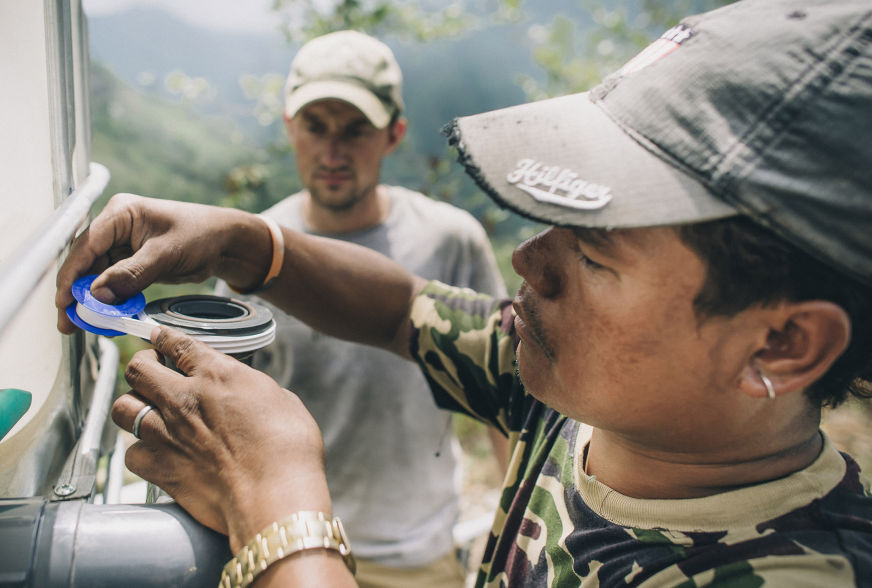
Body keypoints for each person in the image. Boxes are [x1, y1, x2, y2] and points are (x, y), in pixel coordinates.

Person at [55, 0, 872, 586]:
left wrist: (276, 506)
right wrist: (249, 241)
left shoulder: (789, 572)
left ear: (780, 343)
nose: (529, 261)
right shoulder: (590, 396)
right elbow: (400, 309)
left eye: (594, 254)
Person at [212, 30, 509, 588]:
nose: (332, 153)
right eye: (315, 128)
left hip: (417, 559)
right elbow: (224, 420)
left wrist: (516, 532)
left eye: (355, 131)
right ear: (288, 127)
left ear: (393, 134)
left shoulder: (448, 241)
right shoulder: (252, 255)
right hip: (289, 545)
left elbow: (505, 390)